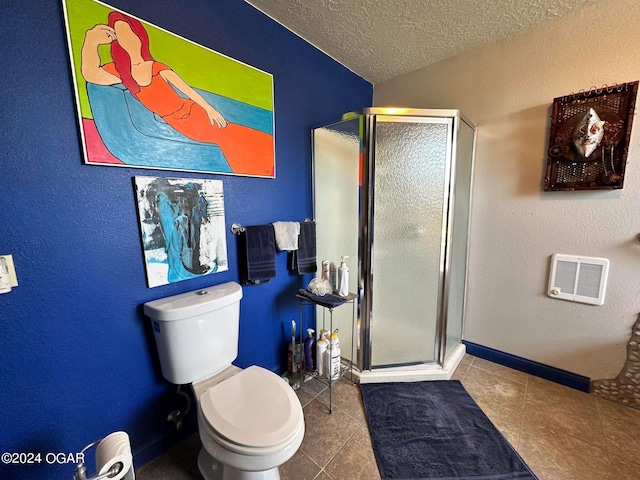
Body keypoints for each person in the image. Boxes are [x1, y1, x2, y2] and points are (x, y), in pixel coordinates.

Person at [81, 11, 274, 176]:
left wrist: (210, 109)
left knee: (230, 133)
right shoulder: (124, 76)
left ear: (140, 38)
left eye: (130, 34)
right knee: (226, 137)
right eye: (121, 36)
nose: (127, 40)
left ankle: (263, 163)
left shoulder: (156, 67)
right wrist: (91, 39)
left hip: (192, 111)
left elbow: (187, 91)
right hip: (178, 121)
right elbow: (91, 74)